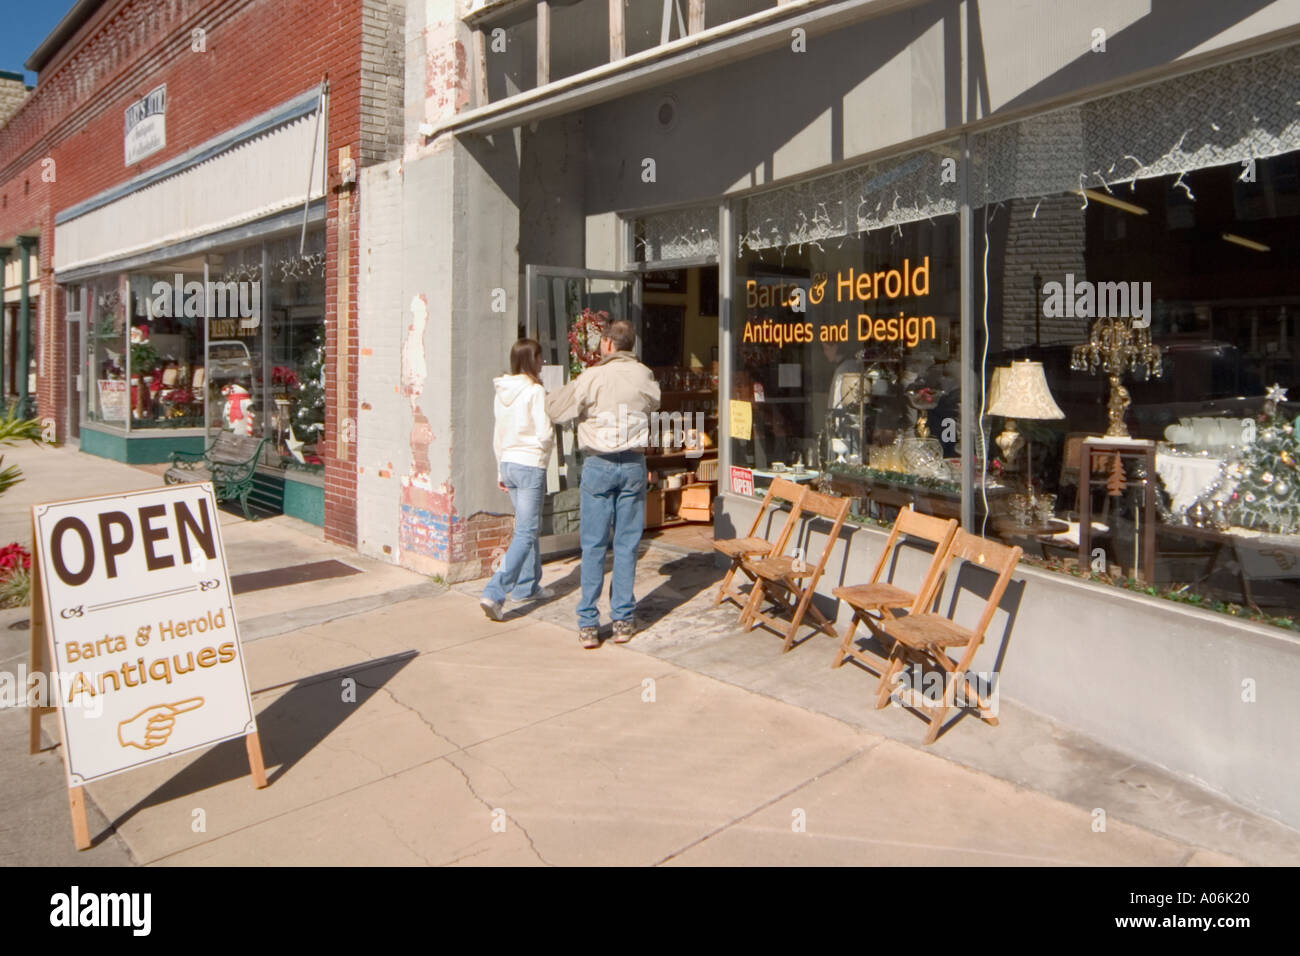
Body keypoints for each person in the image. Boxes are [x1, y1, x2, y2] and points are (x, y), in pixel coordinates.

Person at [546, 318, 661, 648]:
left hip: (599, 463)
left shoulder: (592, 376)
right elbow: (654, 403)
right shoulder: (644, 374)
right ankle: (623, 620)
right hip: (633, 464)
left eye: (601, 342)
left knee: (594, 545)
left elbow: (556, 409)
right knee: (626, 544)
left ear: (609, 344)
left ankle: (588, 624)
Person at [480, 338, 555, 621]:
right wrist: (543, 452)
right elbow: (545, 432)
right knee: (525, 531)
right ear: (530, 360)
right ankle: (495, 591)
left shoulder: (502, 391)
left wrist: (501, 468)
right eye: (539, 358)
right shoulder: (535, 391)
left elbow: (498, 433)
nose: (542, 363)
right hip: (529, 464)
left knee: (526, 527)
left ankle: (527, 586)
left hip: (509, 462)